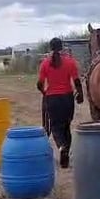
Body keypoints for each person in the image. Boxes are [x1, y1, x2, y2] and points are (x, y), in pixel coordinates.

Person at [37, 37, 84, 168]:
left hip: (52, 99)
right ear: (62, 47)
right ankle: (66, 153)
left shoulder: (45, 63)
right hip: (67, 98)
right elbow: (76, 81)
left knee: (55, 127)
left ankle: (62, 147)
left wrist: (44, 92)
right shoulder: (70, 62)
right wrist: (80, 94)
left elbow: (39, 84)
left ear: (50, 48)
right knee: (66, 126)